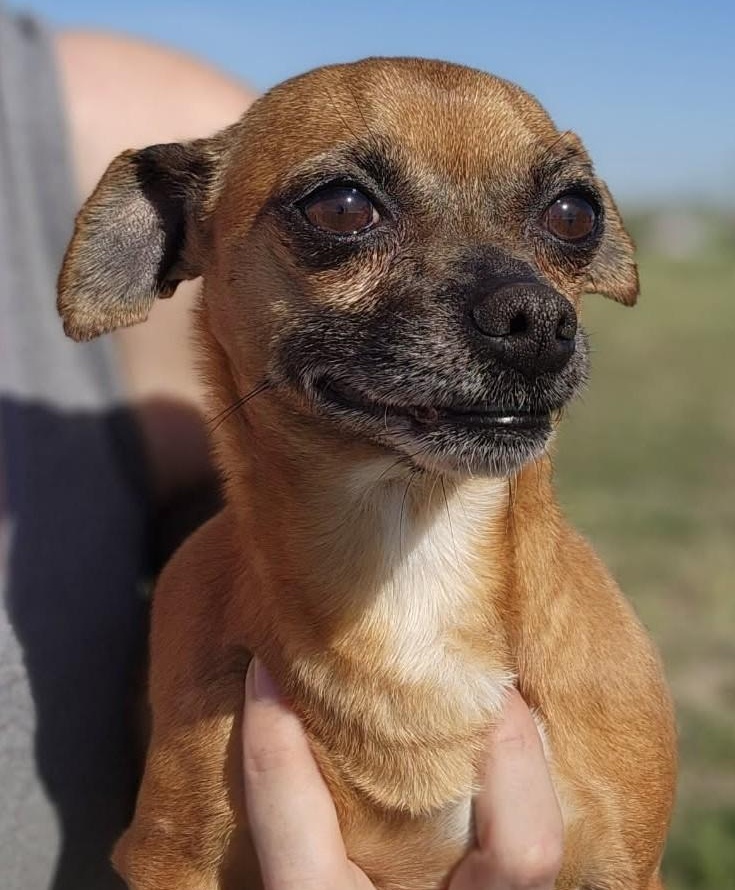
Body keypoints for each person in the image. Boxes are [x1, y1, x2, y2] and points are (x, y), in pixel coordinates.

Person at [0, 8, 563, 889]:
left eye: (561, 216)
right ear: (180, 229)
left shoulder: (90, 106)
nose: (527, 304)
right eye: (344, 212)